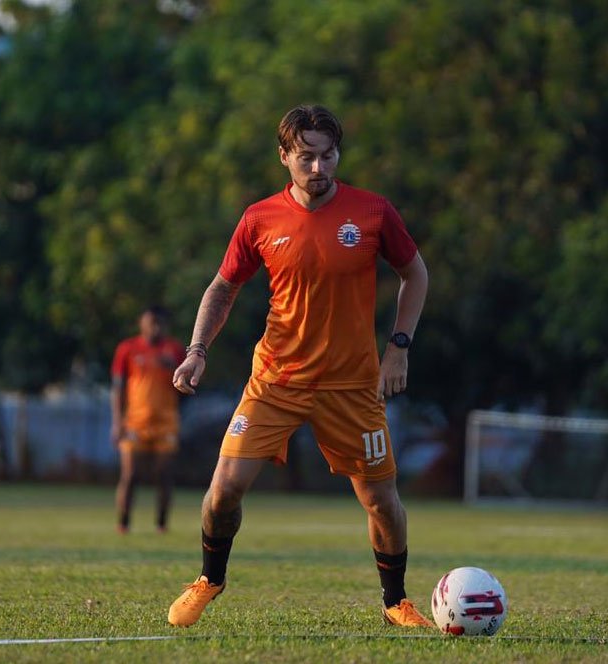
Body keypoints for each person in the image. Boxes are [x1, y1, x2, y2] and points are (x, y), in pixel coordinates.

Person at [167, 105, 431, 628]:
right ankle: (209, 579)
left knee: (380, 499)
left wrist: (398, 346)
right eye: (306, 157)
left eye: (327, 155)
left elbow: (415, 275)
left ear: (338, 154)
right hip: (276, 380)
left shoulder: (373, 212)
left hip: (352, 385)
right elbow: (223, 288)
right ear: (284, 156)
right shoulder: (259, 218)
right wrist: (197, 349)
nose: (318, 168)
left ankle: (395, 601)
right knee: (223, 491)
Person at [110, 305, 185, 534]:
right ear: (141, 324)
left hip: (166, 422)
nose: (154, 328)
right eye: (150, 322)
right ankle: (123, 523)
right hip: (135, 421)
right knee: (130, 474)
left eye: (159, 323)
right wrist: (117, 422)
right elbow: (117, 388)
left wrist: (174, 368)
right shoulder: (127, 349)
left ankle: (161, 525)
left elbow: (189, 386)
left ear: (165, 326)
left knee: (164, 475)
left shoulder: (175, 350)